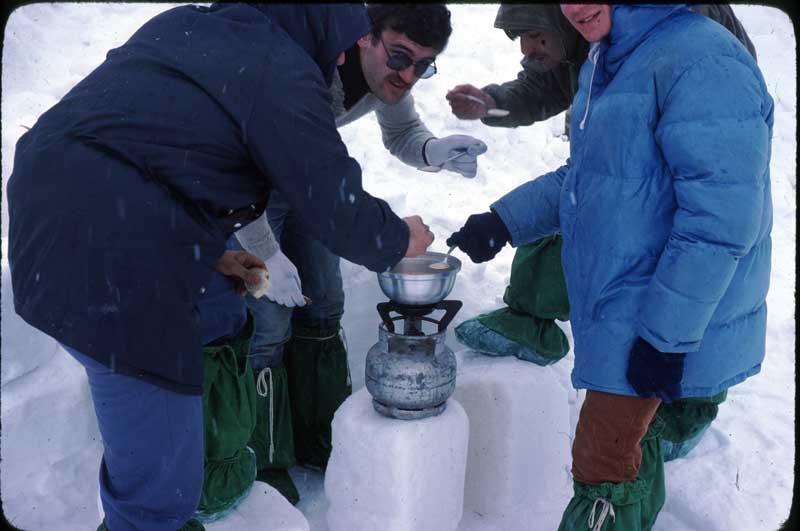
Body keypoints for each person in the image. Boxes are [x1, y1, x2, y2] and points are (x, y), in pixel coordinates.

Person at [7, 4, 435, 531]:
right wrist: (399, 239)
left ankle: (184, 473)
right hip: (113, 258)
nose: (343, 54)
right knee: (157, 498)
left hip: (51, 218)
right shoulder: (279, 66)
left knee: (217, 311)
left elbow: (154, 152)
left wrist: (212, 252)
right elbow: (333, 202)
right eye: (344, 40)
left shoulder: (187, 23)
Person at [446, 4, 773, 530]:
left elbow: (719, 222)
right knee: (616, 460)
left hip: (668, 313)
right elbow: (592, 176)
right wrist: (503, 220)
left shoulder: (703, 59)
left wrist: (665, 338)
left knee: (606, 464)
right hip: (631, 300)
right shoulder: (612, 56)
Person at [230, 3, 488, 503]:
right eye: (400, 57)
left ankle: (320, 433)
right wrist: (267, 256)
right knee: (266, 321)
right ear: (365, 37)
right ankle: (261, 456)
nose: (408, 75)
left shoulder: (386, 74)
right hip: (247, 187)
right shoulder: (304, 64)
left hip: (312, 179)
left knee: (324, 302)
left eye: (422, 65)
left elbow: (402, 132)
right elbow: (234, 173)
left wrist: (436, 152)